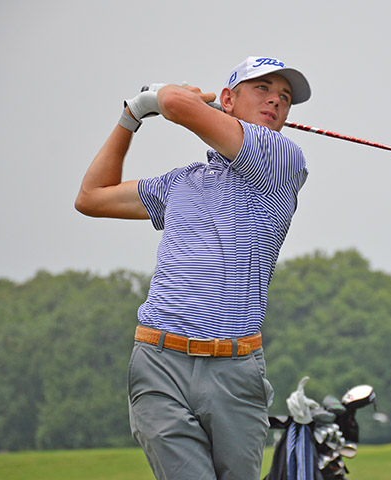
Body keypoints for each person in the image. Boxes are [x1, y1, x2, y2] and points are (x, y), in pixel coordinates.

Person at [75, 56, 311, 480]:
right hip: (159, 362)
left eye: (285, 97)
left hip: (235, 372)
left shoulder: (281, 159)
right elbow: (92, 197)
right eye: (262, 89)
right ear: (229, 99)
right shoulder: (182, 182)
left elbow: (178, 107)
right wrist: (129, 118)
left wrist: (162, 98)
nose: (276, 100)